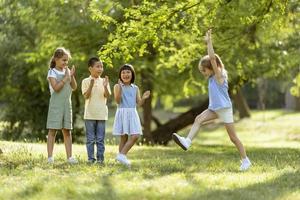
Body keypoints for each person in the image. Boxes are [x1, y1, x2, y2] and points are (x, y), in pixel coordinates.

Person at [172, 30, 251, 171]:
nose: (203, 73)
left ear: (211, 68)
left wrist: (209, 43)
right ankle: (187, 142)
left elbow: (213, 59)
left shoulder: (219, 76)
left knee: (233, 138)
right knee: (198, 119)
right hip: (214, 109)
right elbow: (211, 62)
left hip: (225, 109)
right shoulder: (211, 79)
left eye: (204, 70)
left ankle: (245, 160)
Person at [113, 64, 150, 167]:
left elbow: (139, 103)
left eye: (128, 72)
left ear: (132, 74)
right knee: (123, 138)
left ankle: (121, 155)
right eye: (123, 72)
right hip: (122, 112)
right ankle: (121, 159)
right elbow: (117, 100)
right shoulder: (117, 86)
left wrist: (144, 97)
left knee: (135, 135)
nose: (125, 74)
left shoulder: (135, 88)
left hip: (132, 113)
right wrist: (120, 87)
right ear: (120, 75)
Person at [46, 47, 78, 164]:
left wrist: (72, 76)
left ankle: (70, 157)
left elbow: (74, 87)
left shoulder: (67, 72)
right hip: (56, 105)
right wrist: (66, 78)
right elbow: (56, 88)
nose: (66, 63)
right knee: (52, 131)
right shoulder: (52, 72)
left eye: (67, 61)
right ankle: (50, 157)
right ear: (56, 59)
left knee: (67, 131)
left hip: (67, 105)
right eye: (64, 60)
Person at [81, 57, 111, 164]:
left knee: (100, 139)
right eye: (97, 66)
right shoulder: (85, 81)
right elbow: (86, 96)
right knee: (90, 139)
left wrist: (105, 86)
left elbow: (107, 95)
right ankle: (90, 159)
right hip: (89, 115)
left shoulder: (104, 81)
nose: (100, 69)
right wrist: (91, 85)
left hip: (102, 114)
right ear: (90, 68)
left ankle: (100, 159)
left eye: (101, 66)